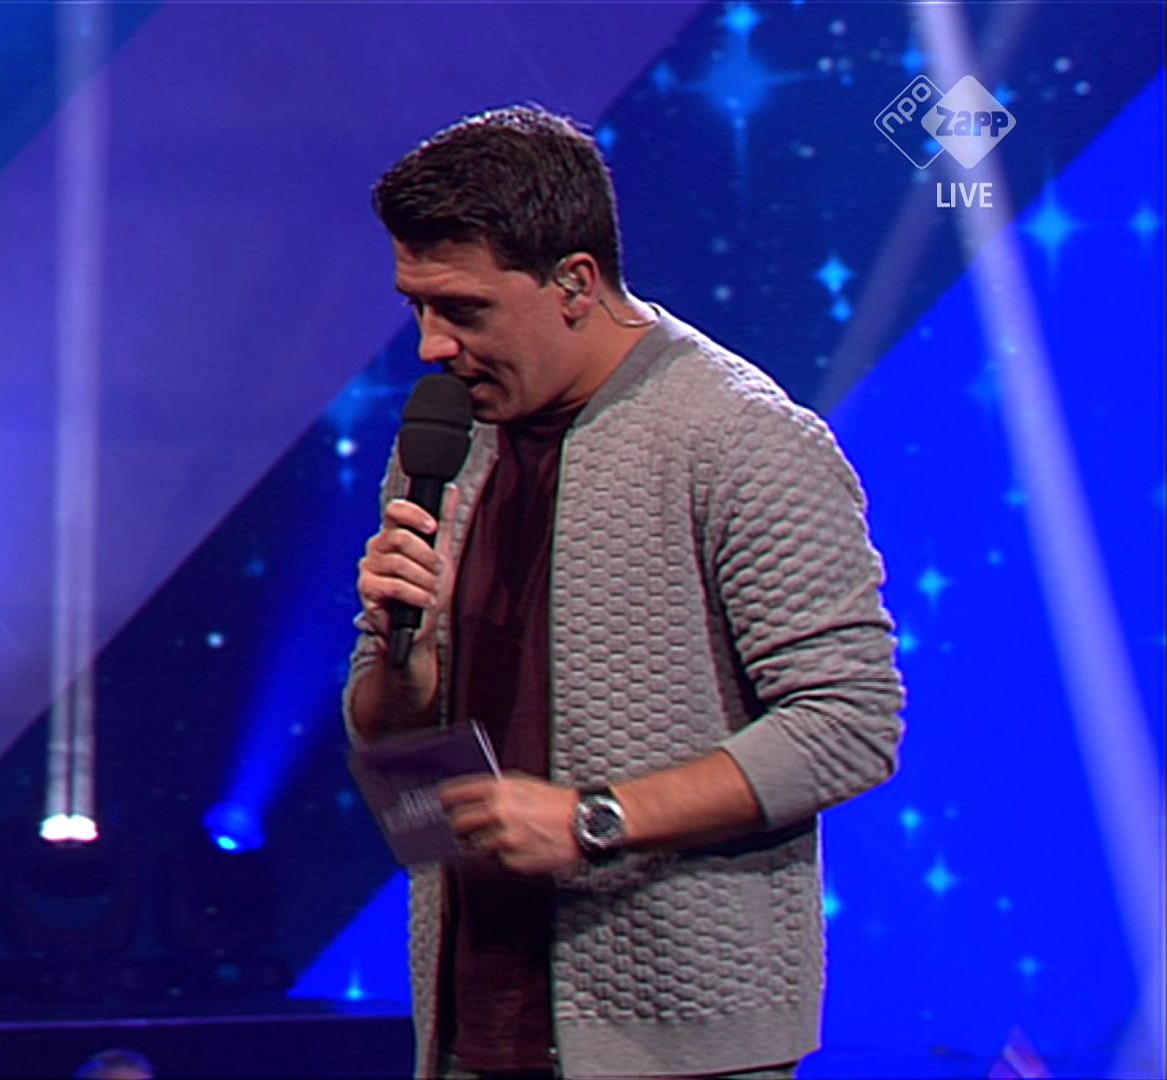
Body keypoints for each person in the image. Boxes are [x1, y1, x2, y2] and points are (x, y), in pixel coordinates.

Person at [346, 106, 904, 1079]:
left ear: (576, 283)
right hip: (471, 1024)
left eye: (464, 310)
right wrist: (407, 669)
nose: (432, 345)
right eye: (417, 307)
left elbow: (849, 724)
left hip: (678, 1038)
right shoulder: (443, 441)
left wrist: (591, 820)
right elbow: (388, 738)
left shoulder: (740, 439)